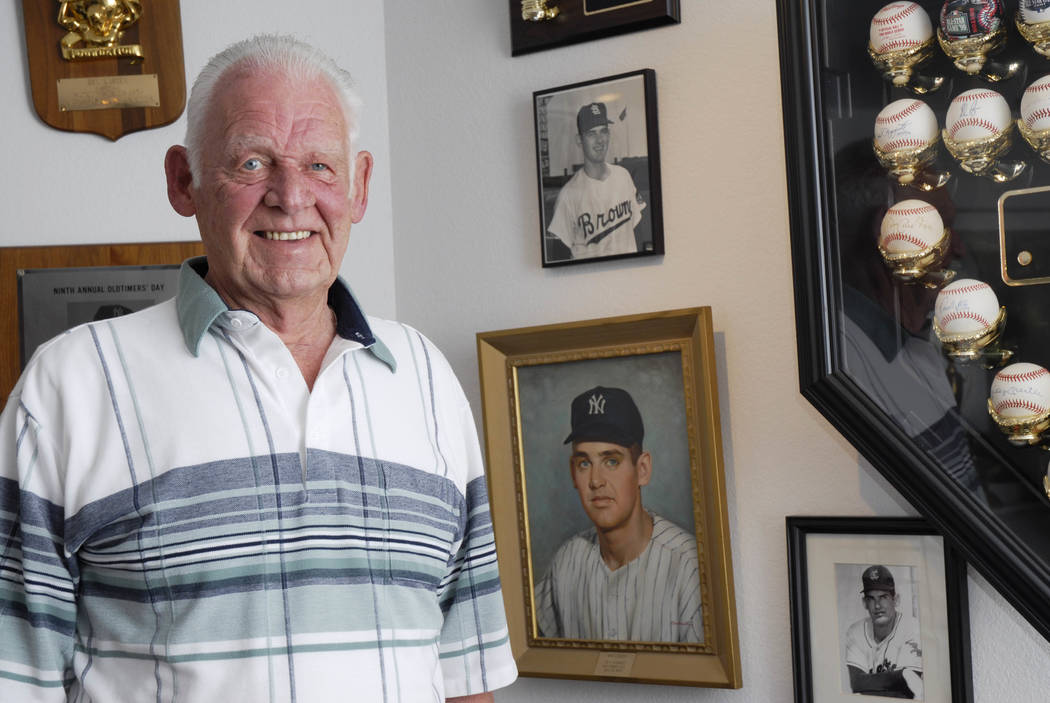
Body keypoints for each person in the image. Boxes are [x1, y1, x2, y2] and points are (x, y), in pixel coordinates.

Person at [0, 35, 516, 703]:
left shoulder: (424, 378)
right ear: (183, 181)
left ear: (359, 186)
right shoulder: (70, 386)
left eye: (320, 167)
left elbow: (463, 675)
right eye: (251, 162)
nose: (291, 196)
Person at [533, 386, 702, 642]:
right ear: (572, 473)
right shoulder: (566, 561)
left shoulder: (689, 566)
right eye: (584, 463)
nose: (596, 481)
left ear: (642, 469)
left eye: (611, 461)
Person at [547, 102, 646, 260]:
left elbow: (637, 227)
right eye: (592, 134)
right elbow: (559, 255)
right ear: (579, 140)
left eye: (604, 131)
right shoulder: (568, 195)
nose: (600, 140)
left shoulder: (624, 176)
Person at [844, 565, 924, 699]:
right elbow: (856, 683)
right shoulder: (855, 632)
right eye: (871, 598)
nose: (877, 605)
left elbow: (909, 690)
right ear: (864, 603)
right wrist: (901, 675)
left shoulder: (912, 628)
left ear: (896, 599)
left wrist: (869, 685)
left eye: (883, 597)